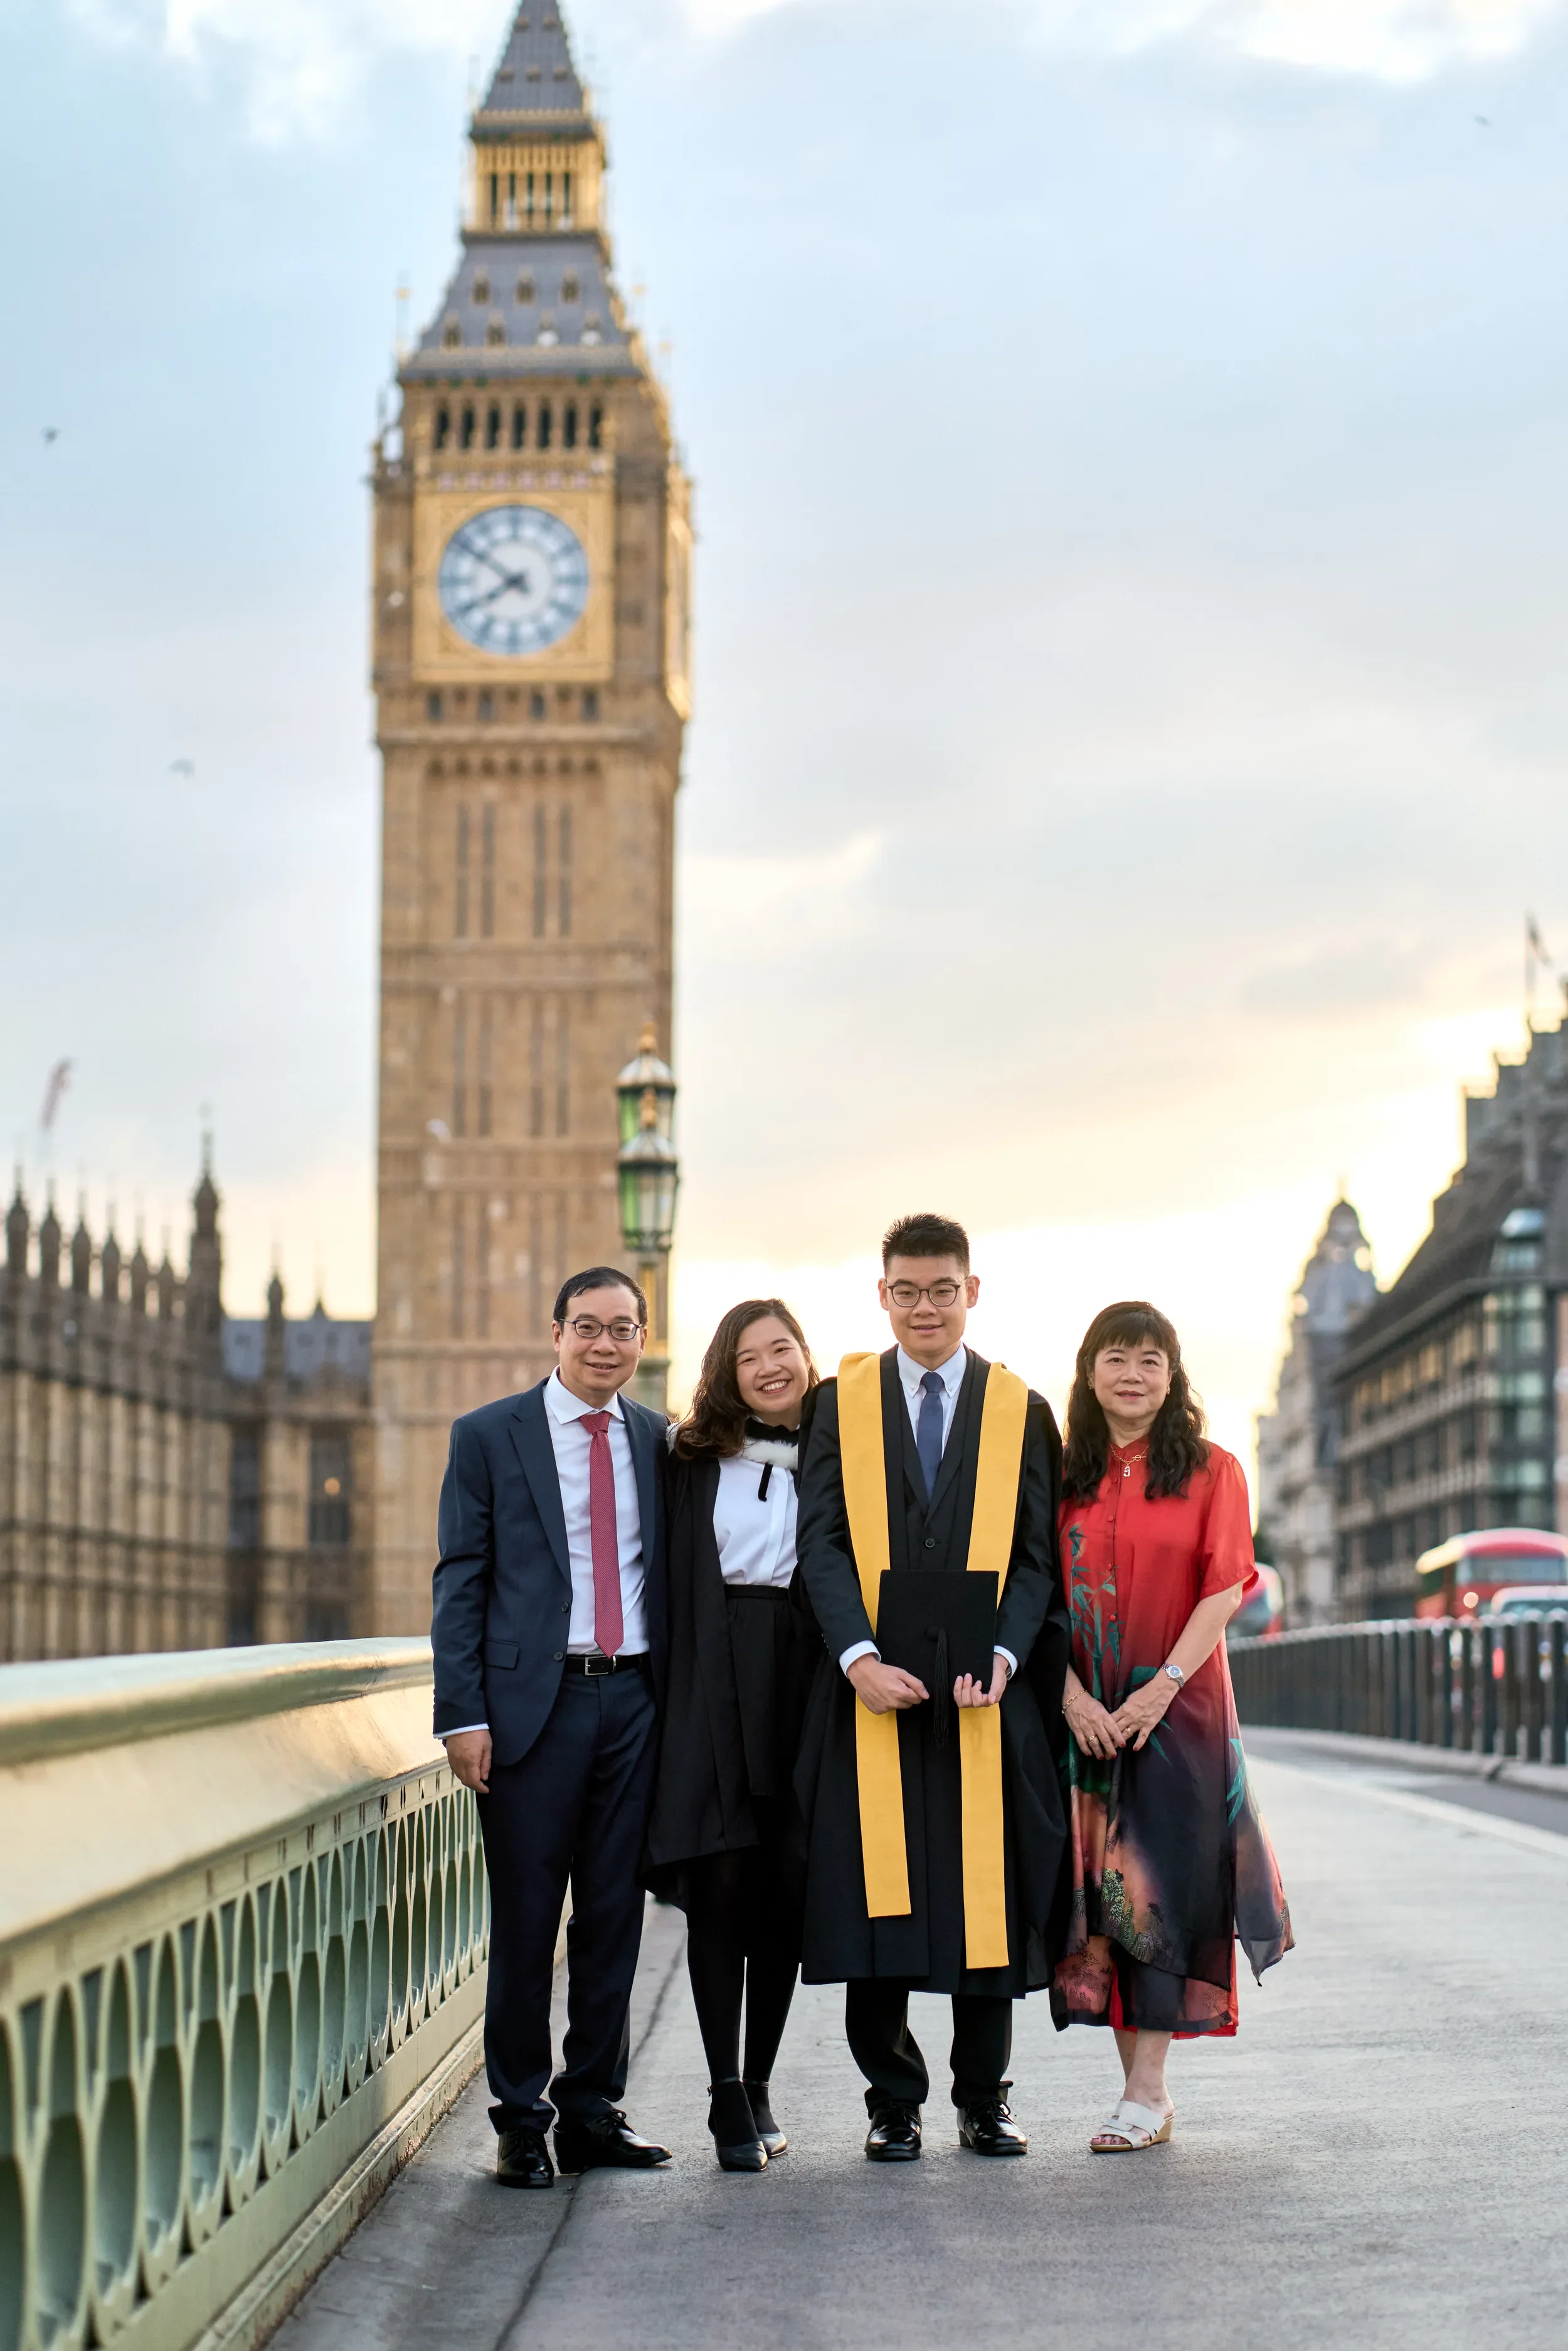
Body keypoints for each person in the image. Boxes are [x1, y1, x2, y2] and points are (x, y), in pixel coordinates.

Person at [793, 1212, 1071, 2163]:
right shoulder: (842, 1402)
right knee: (885, 1899)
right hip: (873, 1695)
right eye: (906, 1291)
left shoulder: (1020, 1410)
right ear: (883, 1295)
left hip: (983, 1699)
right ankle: (893, 2100)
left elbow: (1038, 1562)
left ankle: (983, 2097)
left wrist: (1008, 1656)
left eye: (942, 1290)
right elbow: (820, 1545)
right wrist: (857, 1660)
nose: (924, 1307)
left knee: (982, 1898)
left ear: (972, 1292)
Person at [432, 1266, 672, 2190]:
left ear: (641, 1339)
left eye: (622, 1329)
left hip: (636, 1702)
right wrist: (463, 1713)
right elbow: (463, 1582)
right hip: (534, 1709)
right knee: (530, 1924)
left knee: (616, 1918)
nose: (604, 1344)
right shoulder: (490, 1436)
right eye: (588, 1327)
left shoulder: (661, 1442)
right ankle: (521, 2119)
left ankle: (592, 2110)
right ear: (557, 1334)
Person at [1051, 1301, 1293, 2152]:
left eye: (1150, 1361)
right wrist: (1073, 1696)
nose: (1132, 1375)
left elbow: (1224, 1589)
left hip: (1179, 1712)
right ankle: (1135, 2091)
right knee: (1102, 1900)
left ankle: (1147, 2092)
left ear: (1173, 1375)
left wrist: (1159, 1691)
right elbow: (1037, 1596)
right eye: (1116, 1358)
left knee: (1159, 1890)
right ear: (1089, 1374)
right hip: (1083, 1718)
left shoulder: (1213, 1469)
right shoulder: (1060, 1474)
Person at [644, 1300, 820, 2171]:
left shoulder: (837, 1456)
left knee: (784, 1899)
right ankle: (721, 2094)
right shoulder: (689, 1461)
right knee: (722, 1887)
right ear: (726, 1370)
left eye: (781, 1349)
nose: (768, 1366)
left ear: (804, 1357)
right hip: (713, 1675)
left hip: (808, 1679)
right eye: (749, 1356)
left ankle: (759, 2084)